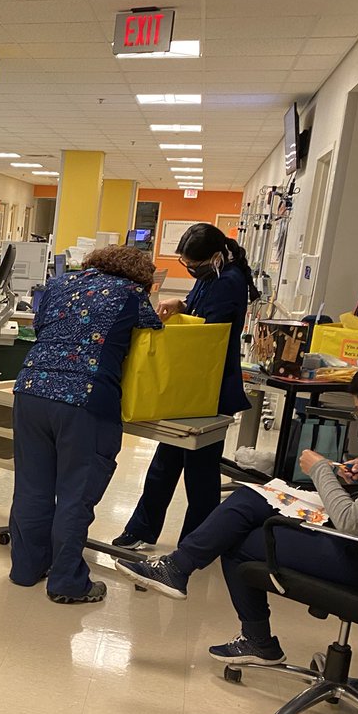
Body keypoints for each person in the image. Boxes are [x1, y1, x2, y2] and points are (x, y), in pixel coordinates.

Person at [117, 357, 358, 663]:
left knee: (239, 541)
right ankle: (179, 568)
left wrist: (320, 469)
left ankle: (252, 636)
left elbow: (351, 521)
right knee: (251, 501)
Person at [10, 245, 163, 604]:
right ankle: (66, 582)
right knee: (76, 495)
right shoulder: (131, 294)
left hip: (31, 390)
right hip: (84, 399)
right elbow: (155, 329)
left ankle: (26, 569)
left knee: (32, 488)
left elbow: (41, 324)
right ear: (141, 276)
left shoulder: (60, 283)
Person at [112, 222, 257, 551]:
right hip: (189, 387)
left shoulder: (229, 282)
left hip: (209, 389)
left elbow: (208, 335)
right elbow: (198, 308)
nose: (191, 270)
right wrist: (182, 305)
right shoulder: (212, 277)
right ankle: (142, 529)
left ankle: (198, 542)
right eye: (185, 265)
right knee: (165, 462)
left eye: (194, 265)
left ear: (215, 257)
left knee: (201, 472)